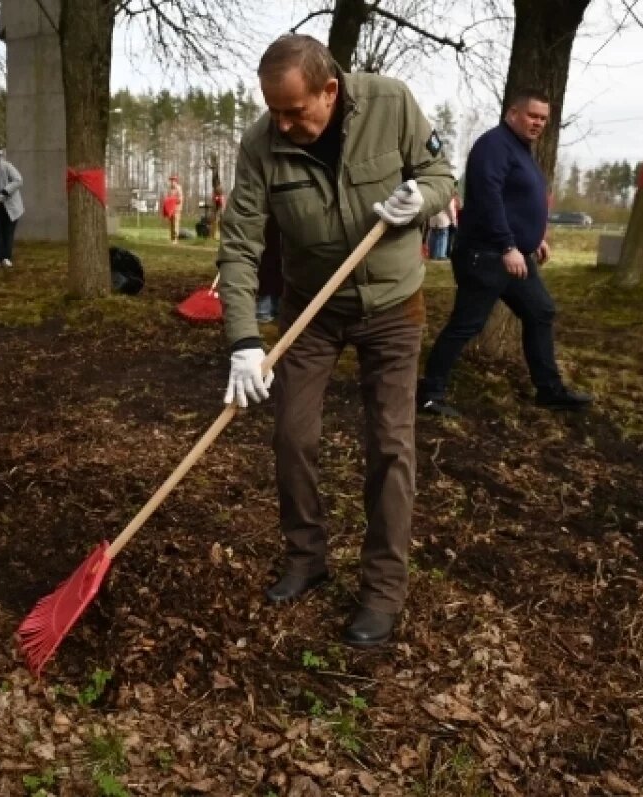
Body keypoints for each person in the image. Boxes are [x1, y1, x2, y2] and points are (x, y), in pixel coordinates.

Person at [217, 34, 454, 648]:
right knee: (292, 434)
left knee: (390, 444)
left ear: (330, 90)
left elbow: (438, 173)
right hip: (312, 311)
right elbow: (240, 244)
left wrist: (420, 199)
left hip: (393, 306)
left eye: (295, 111)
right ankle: (306, 558)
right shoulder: (261, 143)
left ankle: (383, 589)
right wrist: (243, 339)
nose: (283, 124)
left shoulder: (390, 103)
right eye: (274, 110)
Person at [415, 88, 592, 418]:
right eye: (532, 116)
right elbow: (488, 199)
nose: (538, 123)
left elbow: (517, 201)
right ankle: (430, 393)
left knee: (540, 312)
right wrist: (508, 245)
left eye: (543, 119)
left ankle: (549, 391)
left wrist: (533, 239)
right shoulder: (494, 146)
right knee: (466, 324)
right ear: (513, 113)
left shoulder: (520, 150)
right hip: (486, 254)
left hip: (513, 254)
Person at [163, 175, 184, 243]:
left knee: (176, 224)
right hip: (171, 210)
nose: (172, 182)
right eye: (171, 181)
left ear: (176, 181)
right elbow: (168, 198)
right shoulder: (170, 189)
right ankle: (172, 238)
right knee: (171, 224)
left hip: (177, 209)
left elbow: (180, 199)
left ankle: (175, 239)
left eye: (173, 181)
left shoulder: (179, 188)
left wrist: (174, 200)